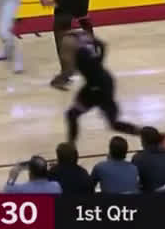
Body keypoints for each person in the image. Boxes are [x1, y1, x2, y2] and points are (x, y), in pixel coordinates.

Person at [59, 14, 145, 144]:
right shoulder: (81, 37)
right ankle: (148, 135)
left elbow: (72, 68)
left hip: (99, 88)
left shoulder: (79, 54)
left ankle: (150, 136)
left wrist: (61, 79)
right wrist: (99, 61)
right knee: (76, 115)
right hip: (100, 83)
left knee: (75, 115)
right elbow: (102, 45)